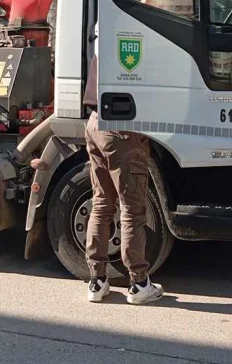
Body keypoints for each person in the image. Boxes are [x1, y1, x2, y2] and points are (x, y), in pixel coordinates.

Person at [83, 22, 164, 305]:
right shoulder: (136, 38)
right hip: (122, 131)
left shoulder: (105, 33)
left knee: (102, 203)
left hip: (94, 123)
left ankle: (97, 281)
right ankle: (139, 283)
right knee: (132, 209)